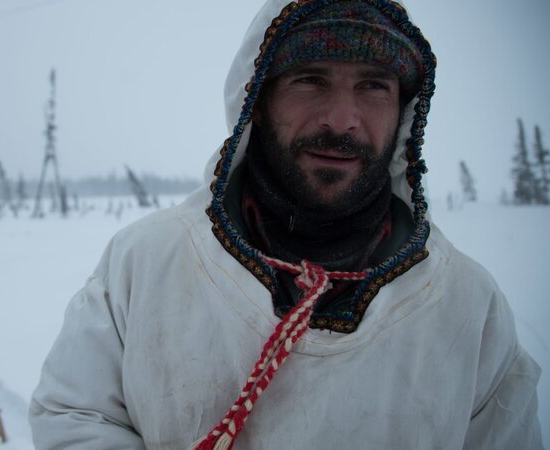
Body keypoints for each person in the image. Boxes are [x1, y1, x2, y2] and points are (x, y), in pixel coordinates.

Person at [29, 0, 544, 448]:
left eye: (373, 86)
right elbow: (75, 415)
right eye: (310, 79)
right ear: (257, 100)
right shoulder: (147, 263)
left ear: (404, 112)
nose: (342, 119)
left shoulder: (465, 304)